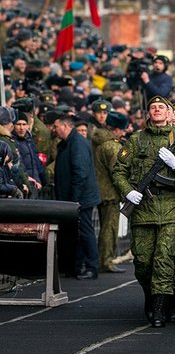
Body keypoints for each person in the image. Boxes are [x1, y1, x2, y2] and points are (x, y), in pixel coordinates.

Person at [112, 95, 175, 327]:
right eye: (152, 108)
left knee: (164, 259)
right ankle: (151, 295)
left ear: (169, 112)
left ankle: (159, 308)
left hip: (171, 209)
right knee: (144, 262)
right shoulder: (136, 140)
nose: (156, 111)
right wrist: (128, 191)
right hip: (143, 209)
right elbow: (118, 171)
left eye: (161, 108)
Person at [53, 114, 101, 280]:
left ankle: (92, 267)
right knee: (78, 232)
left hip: (81, 198)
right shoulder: (69, 143)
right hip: (76, 197)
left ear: (66, 126)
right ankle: (76, 266)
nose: (54, 129)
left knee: (85, 231)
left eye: (56, 126)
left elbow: (80, 173)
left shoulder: (77, 144)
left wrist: (73, 200)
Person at [93, 111, 128, 273]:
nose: (124, 132)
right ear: (117, 130)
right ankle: (106, 261)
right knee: (110, 228)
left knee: (103, 228)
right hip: (110, 192)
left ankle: (101, 259)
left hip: (98, 190)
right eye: (123, 129)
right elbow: (118, 171)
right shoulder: (113, 146)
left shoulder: (96, 140)